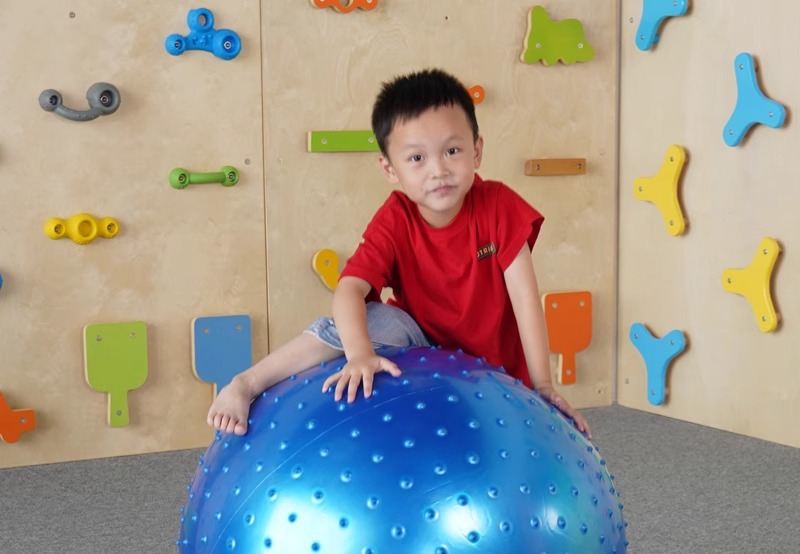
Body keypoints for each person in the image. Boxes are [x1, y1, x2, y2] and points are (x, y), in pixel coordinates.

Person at [208, 68, 591, 437]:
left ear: (476, 151)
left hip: (492, 367)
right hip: (418, 345)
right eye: (417, 158)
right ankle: (247, 383)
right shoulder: (396, 217)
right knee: (371, 319)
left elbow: (525, 297)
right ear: (390, 169)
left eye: (452, 150)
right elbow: (349, 289)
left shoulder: (499, 205)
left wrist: (543, 384)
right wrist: (360, 354)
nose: (438, 170)